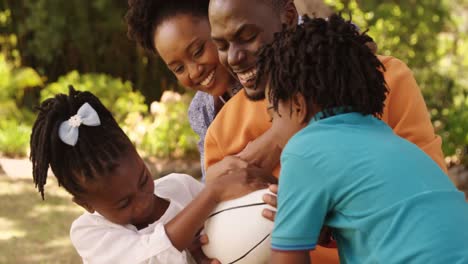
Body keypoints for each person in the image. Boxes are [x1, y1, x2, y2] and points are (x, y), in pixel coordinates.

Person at [255, 14, 468, 263]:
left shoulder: (304, 148)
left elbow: (287, 260)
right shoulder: (389, 140)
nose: (274, 128)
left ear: (299, 106)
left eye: (273, 116)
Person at [29, 86, 274, 264]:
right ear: (86, 204)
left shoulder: (182, 188)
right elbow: (150, 256)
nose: (143, 201)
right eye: (124, 203)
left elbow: (229, 223)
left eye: (144, 180)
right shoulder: (90, 233)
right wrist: (211, 193)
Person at [204, 0, 447, 177]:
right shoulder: (223, 133)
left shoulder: (386, 78)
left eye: (247, 36)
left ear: (288, 18)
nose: (234, 58)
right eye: (222, 45)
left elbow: (431, 186)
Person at [125, 0, 242, 181]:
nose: (195, 72)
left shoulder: (257, 74)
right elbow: (210, 178)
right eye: (179, 69)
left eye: (197, 52)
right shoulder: (201, 110)